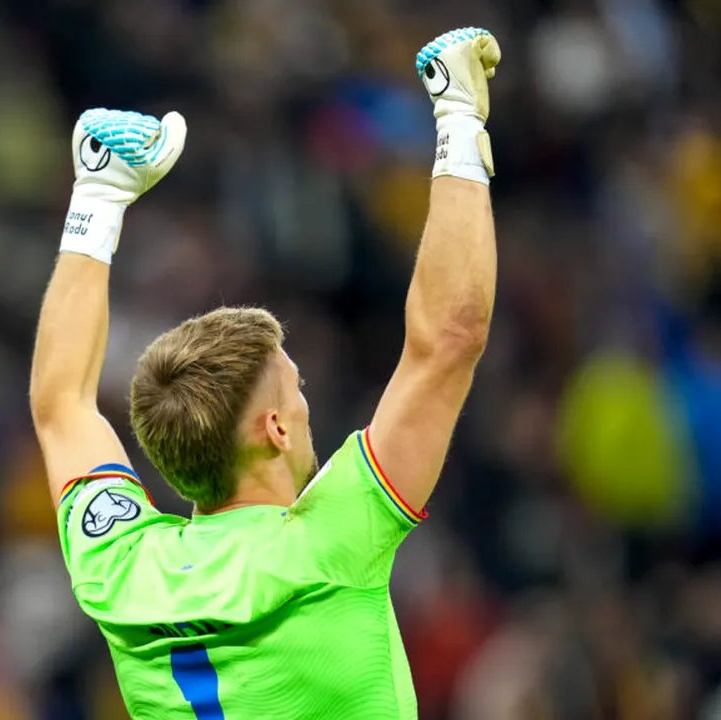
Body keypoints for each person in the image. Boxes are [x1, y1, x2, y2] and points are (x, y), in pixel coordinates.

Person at [29, 27, 500, 719]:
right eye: (295, 388)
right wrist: (459, 118)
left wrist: (99, 196)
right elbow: (452, 337)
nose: (306, 403)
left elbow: (62, 405)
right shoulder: (330, 543)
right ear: (275, 428)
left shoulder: (120, 569)